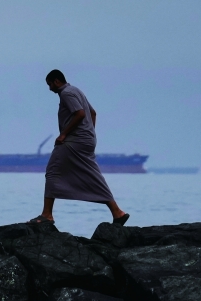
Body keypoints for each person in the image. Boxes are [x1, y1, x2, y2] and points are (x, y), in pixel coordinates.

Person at [28, 69, 129, 226]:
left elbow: (80, 113)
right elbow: (93, 113)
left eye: (49, 85)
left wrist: (63, 135)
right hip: (86, 140)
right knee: (93, 175)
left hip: (73, 141)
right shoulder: (76, 90)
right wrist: (89, 133)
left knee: (53, 170)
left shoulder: (66, 93)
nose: (49, 89)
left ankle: (47, 214)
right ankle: (117, 213)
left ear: (56, 81)